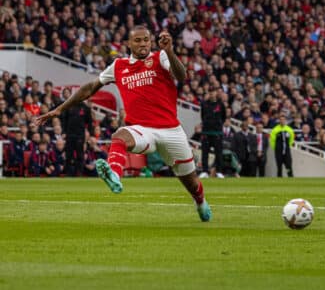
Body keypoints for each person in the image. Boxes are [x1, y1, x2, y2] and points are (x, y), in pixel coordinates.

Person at [35, 26, 212, 222]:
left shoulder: (160, 57)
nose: (143, 43)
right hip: (142, 130)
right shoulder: (119, 66)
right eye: (138, 40)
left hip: (171, 130)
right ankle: (115, 175)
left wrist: (169, 51)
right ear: (129, 43)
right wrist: (60, 108)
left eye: (146, 39)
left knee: (191, 182)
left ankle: (200, 202)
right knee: (119, 136)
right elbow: (90, 87)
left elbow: (181, 76)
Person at [60, 87, 93, 176]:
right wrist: (63, 132)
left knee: (80, 155)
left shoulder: (85, 108)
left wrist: (90, 133)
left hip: (80, 135)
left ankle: (79, 173)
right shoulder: (68, 106)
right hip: (70, 135)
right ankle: (68, 173)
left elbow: (89, 122)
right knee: (68, 155)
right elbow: (64, 121)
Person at [200, 88, 226, 178]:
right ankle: (205, 171)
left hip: (217, 133)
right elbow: (202, 116)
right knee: (205, 153)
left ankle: (219, 171)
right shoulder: (204, 104)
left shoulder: (220, 104)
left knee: (218, 153)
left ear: (216, 93)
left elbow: (224, 117)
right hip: (206, 132)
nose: (211, 94)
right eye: (210, 92)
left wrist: (217, 126)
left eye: (213, 92)